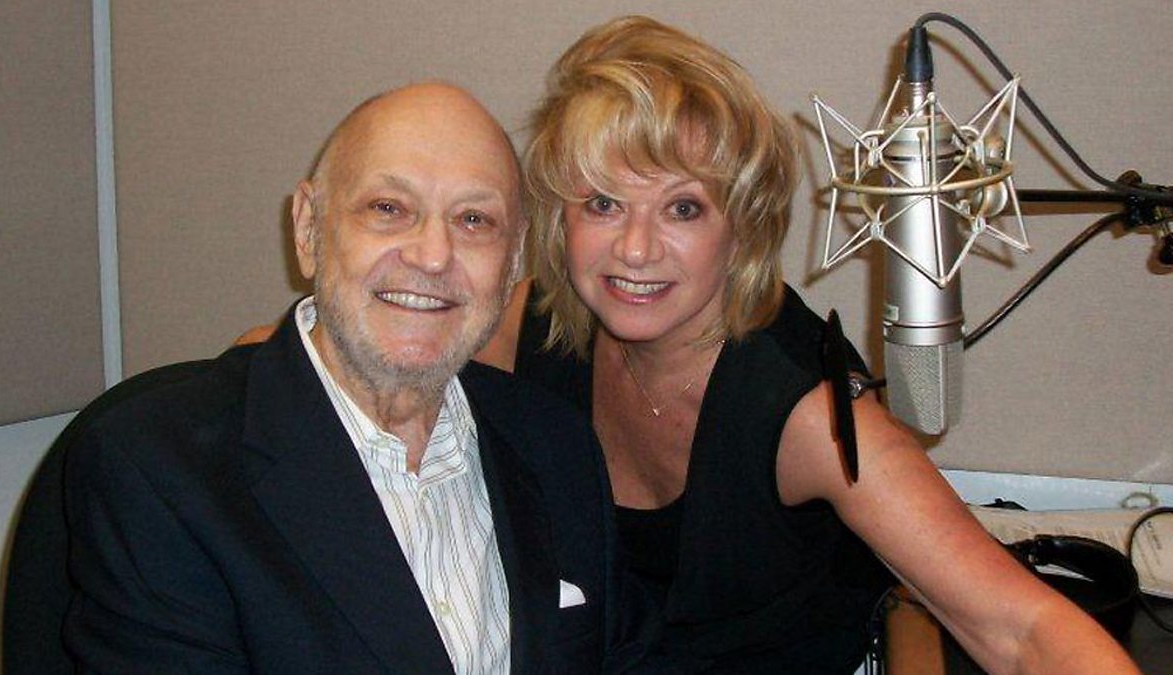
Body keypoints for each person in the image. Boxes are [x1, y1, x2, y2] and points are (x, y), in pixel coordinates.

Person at [475, 16, 1141, 675]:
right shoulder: (531, 325)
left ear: (743, 228)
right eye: (603, 203)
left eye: (683, 208)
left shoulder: (806, 412)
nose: (636, 248)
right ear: (560, 217)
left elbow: (1024, 631)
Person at [48, 83, 643, 674]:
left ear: (513, 261)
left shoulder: (554, 442)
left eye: (473, 219)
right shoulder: (159, 470)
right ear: (308, 228)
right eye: (388, 209)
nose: (433, 255)